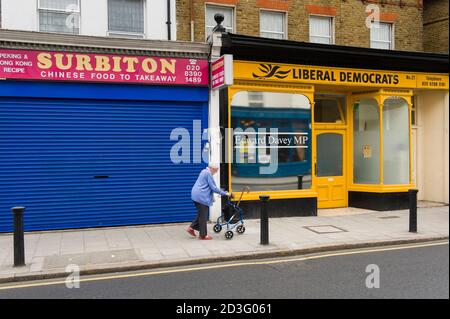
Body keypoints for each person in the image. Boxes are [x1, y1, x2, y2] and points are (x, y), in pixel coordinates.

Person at [187, 163, 232, 240]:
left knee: (201, 213)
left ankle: (191, 228)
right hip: (200, 197)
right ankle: (203, 235)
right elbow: (213, 188)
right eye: (216, 170)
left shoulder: (203, 171)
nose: (216, 172)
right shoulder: (208, 173)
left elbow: (208, 187)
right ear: (212, 168)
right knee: (203, 216)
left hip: (196, 195)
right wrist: (226, 193)